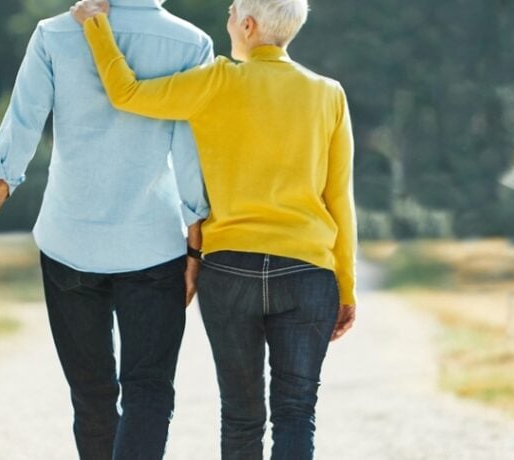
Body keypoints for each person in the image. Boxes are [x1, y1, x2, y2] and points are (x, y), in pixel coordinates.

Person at [70, 0, 358, 458]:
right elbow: (338, 199)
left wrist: (97, 26)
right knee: (296, 412)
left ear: (248, 25)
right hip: (307, 275)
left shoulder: (216, 81)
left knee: (241, 418)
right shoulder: (329, 94)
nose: (227, 22)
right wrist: (346, 286)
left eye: (230, 14)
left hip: (230, 272)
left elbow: (125, 93)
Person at [0, 1, 214, 458]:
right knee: (149, 393)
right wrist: (196, 248)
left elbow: (20, 128)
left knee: (92, 397)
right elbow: (191, 151)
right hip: (154, 248)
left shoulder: (55, 34)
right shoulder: (190, 44)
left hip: (69, 245)